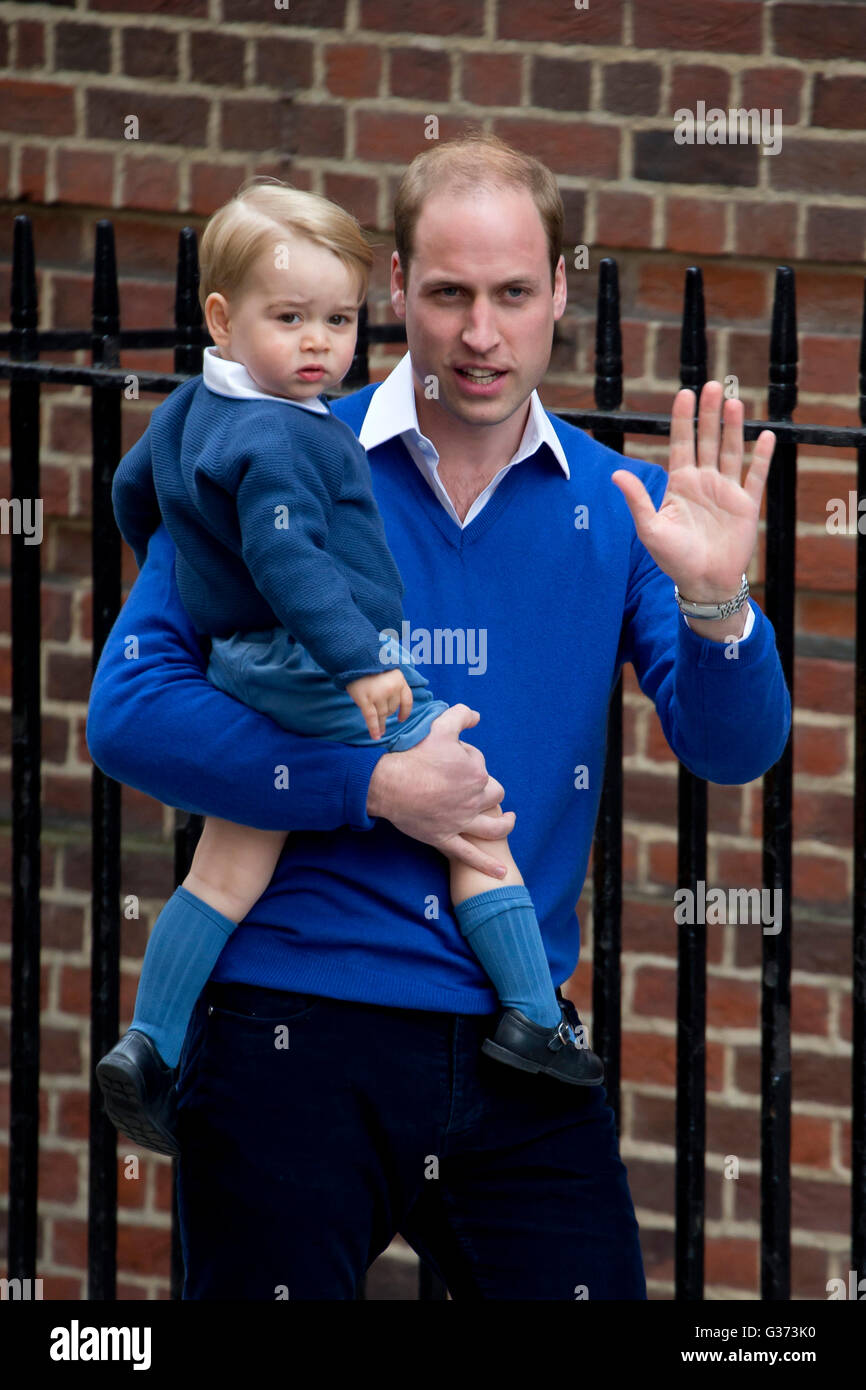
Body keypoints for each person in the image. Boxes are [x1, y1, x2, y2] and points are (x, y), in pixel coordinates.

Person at [86, 131, 790, 1300]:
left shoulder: (618, 510)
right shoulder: (275, 449)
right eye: (449, 293)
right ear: (396, 288)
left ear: (561, 289)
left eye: (513, 294)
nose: (479, 333)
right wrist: (367, 786)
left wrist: (716, 601)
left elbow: (732, 749)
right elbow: (130, 715)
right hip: (291, 1029)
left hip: (517, 1048)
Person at [94, 177, 603, 1159]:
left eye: (336, 319)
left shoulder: (193, 407)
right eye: (291, 320)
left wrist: (188, 561)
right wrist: (368, 675)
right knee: (470, 807)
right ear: (221, 316)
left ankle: (148, 1044)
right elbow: (293, 563)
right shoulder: (291, 432)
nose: (319, 344)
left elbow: (133, 490)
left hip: (248, 666)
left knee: (226, 864)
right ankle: (535, 1017)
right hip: (325, 669)